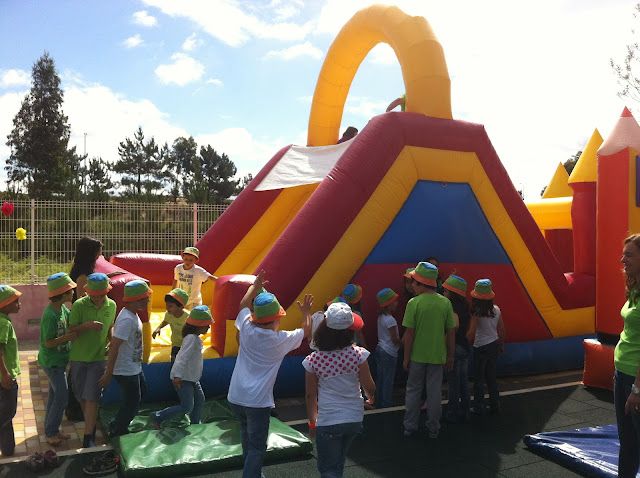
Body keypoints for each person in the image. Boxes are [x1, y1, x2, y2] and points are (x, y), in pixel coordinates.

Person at [227, 271, 312, 478]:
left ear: (255, 318)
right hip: (257, 403)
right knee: (257, 446)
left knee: (248, 439)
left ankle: (254, 473)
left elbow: (242, 306)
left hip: (236, 397)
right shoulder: (279, 340)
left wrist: (253, 287)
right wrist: (306, 312)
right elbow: (306, 331)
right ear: (276, 319)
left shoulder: (247, 327)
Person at [303, 302, 375, 478]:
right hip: (354, 419)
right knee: (338, 463)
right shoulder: (358, 354)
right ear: (351, 330)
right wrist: (370, 398)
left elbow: (310, 396)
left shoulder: (313, 360)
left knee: (328, 469)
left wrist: (312, 423)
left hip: (329, 421)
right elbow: (369, 386)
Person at [402, 262, 455, 439]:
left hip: (417, 356)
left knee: (413, 391)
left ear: (420, 283)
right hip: (437, 356)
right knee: (434, 393)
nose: (412, 286)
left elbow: (409, 334)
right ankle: (434, 428)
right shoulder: (445, 303)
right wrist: (451, 356)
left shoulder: (413, 303)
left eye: (414, 282)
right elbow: (450, 333)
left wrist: (406, 357)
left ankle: (410, 426)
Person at [68, 273, 116, 448]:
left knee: (92, 397)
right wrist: (86, 325)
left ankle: (88, 436)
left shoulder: (112, 305)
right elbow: (71, 328)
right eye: (93, 295)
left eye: (100, 295)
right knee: (82, 396)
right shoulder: (79, 305)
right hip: (79, 358)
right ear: (88, 292)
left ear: (106, 292)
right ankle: (91, 424)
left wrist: (112, 344)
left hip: (98, 358)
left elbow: (110, 327)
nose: (97, 299)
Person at [98, 280, 151, 439]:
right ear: (134, 300)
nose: (147, 301)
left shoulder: (130, 314)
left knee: (141, 393)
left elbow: (116, 336)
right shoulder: (127, 319)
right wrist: (108, 373)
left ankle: (119, 422)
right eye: (144, 299)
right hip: (125, 370)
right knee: (132, 402)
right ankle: (118, 429)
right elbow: (115, 346)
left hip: (133, 366)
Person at [150, 305, 212, 428]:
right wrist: (177, 376)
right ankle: (158, 416)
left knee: (200, 400)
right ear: (198, 326)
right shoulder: (191, 339)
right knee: (187, 406)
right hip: (183, 378)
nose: (209, 327)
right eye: (207, 325)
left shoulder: (194, 338)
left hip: (191, 377)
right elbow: (182, 358)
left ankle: (195, 423)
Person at [38, 273, 79, 446]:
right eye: (70, 291)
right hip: (52, 363)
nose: (73, 294)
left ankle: (51, 429)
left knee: (55, 397)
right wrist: (68, 337)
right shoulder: (50, 315)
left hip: (60, 361)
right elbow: (48, 342)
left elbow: (73, 322)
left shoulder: (62, 309)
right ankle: (50, 432)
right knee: (62, 397)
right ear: (62, 293)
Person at [615, 234, 640, 477]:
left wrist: (637, 388)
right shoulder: (633, 288)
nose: (623, 259)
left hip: (636, 378)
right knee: (627, 442)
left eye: (629, 254)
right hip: (621, 373)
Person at [466, 279, 505, 416]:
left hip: (480, 347)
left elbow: (472, 333)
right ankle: (495, 405)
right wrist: (501, 344)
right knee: (491, 377)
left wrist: (464, 342)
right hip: (493, 344)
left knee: (479, 379)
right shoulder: (496, 310)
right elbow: (501, 330)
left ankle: (479, 406)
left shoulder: (476, 313)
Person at [442, 275, 471, 423]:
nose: (444, 293)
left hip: (455, 347)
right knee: (463, 380)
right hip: (465, 347)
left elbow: (453, 328)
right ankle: (465, 409)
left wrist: (450, 354)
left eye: (446, 291)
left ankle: (452, 411)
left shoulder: (451, 308)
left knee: (453, 382)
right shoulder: (466, 307)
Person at [0, 285, 22, 456]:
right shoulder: (3, 323)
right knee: (7, 413)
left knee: (6, 417)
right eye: (15, 301)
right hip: (4, 378)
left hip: (5, 376)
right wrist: (5, 374)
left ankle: (8, 449)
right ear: (4, 304)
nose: (18, 304)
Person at [374, 288, 401, 409]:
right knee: (388, 379)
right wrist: (404, 343)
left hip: (380, 349)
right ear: (388, 304)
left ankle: (379, 401)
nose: (397, 303)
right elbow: (395, 339)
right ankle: (386, 404)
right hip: (389, 352)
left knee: (381, 378)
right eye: (394, 301)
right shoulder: (391, 320)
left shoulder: (381, 317)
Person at [152, 288, 190, 362]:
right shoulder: (169, 314)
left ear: (181, 307)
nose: (167, 308)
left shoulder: (188, 317)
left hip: (187, 344)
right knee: (174, 358)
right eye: (166, 305)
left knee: (185, 361)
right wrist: (158, 328)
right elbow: (166, 321)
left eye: (170, 306)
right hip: (176, 342)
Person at [70, 237, 103, 301]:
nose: (100, 254)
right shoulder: (83, 275)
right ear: (90, 254)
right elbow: (81, 299)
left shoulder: (81, 267)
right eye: (98, 252)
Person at [342, 284, 367, 348]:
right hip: (354, 346)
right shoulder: (356, 314)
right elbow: (359, 334)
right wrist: (365, 347)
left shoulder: (340, 312)